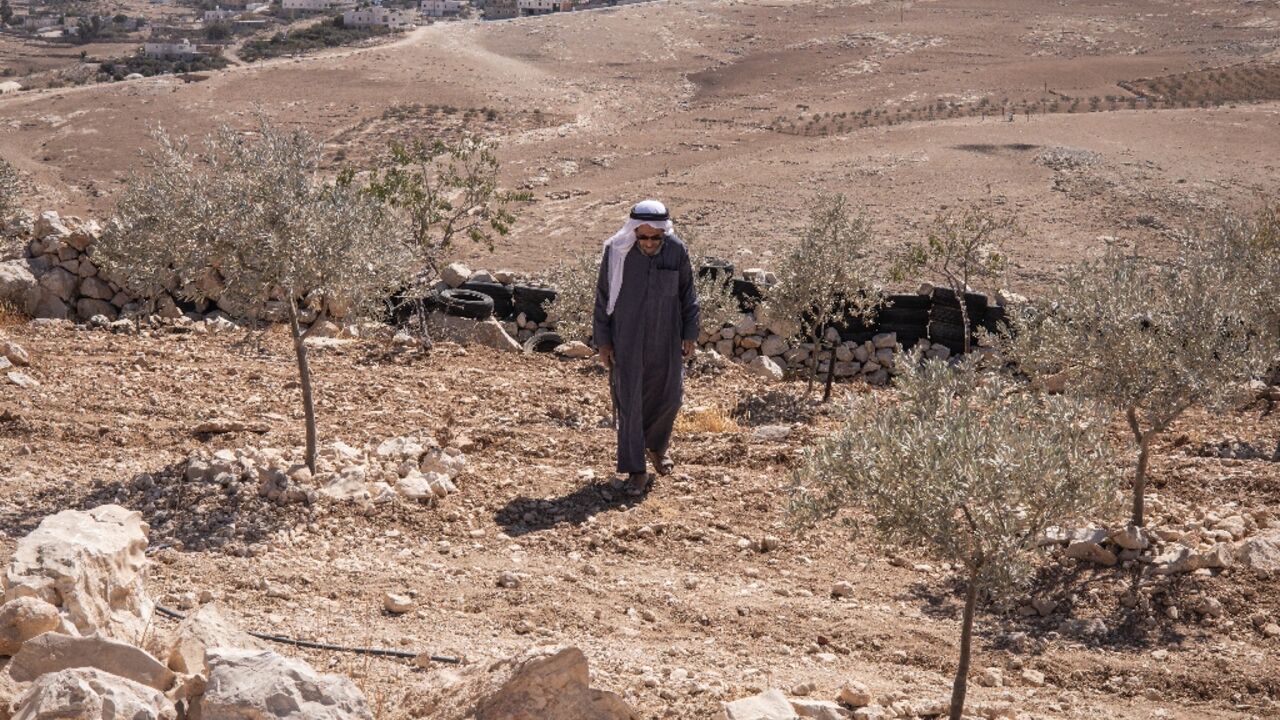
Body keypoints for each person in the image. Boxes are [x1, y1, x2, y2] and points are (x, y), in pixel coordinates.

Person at [593, 199, 699, 495]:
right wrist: (603, 341)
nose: (649, 242)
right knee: (630, 404)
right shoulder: (617, 252)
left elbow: (688, 294)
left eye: (655, 237)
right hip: (626, 339)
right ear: (634, 232)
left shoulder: (676, 250)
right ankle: (636, 470)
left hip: (666, 337)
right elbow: (602, 298)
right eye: (643, 236)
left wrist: (690, 332)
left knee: (671, 397)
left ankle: (657, 446)